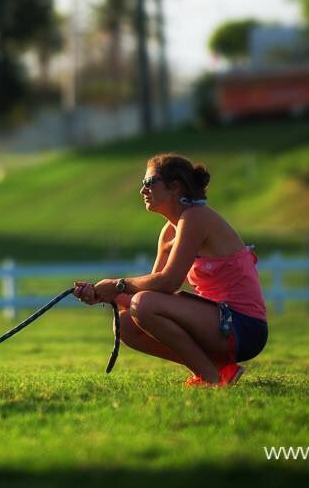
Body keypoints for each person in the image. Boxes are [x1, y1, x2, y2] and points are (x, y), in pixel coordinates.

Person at [73, 153, 268, 386]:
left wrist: (118, 285)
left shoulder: (196, 218)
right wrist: (100, 294)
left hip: (244, 328)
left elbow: (168, 282)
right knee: (125, 324)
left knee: (144, 305)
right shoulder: (169, 232)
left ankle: (211, 379)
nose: (142, 190)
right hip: (217, 323)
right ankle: (216, 370)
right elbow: (150, 292)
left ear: (175, 187)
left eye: (149, 182)